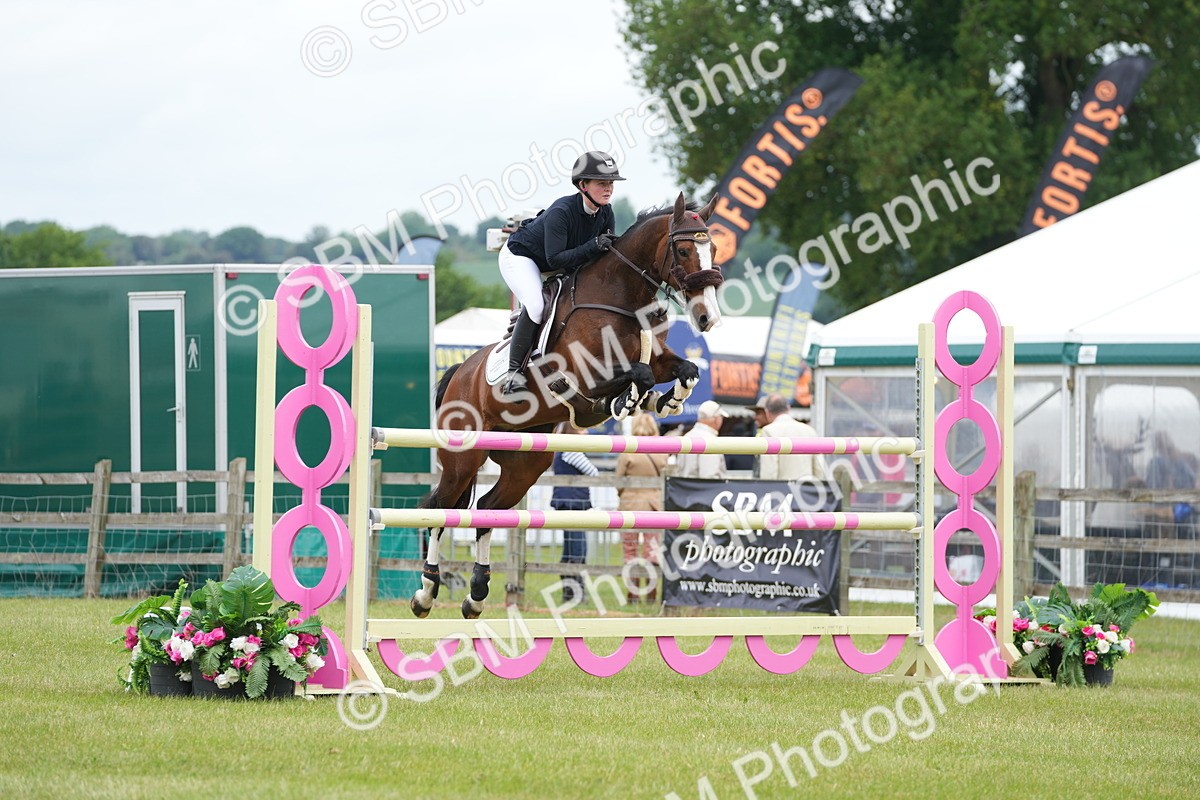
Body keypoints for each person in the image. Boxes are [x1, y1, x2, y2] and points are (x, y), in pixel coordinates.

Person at [497, 150, 625, 394]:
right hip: (522, 257)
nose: (608, 188)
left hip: (560, 262)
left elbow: (600, 257)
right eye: (602, 183)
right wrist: (593, 245)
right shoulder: (562, 211)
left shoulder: (606, 212)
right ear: (582, 185)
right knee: (536, 305)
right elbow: (554, 258)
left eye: (610, 183)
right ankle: (514, 374)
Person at [616, 414, 669, 603]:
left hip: (630, 503)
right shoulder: (662, 449)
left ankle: (633, 593)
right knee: (652, 548)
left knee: (630, 548)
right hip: (654, 504)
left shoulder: (629, 449)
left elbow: (619, 479)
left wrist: (623, 493)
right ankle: (652, 591)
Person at [550, 423, 599, 603]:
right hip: (574, 503)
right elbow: (593, 472)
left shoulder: (562, 450)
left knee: (570, 548)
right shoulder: (573, 451)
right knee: (578, 548)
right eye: (582, 429)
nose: (586, 432)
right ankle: (577, 592)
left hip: (566, 502)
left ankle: (569, 591)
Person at [749, 393, 828, 481]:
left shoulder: (768, 431)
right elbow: (819, 469)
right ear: (788, 408)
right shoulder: (809, 431)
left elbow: (769, 473)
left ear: (767, 412)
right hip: (806, 490)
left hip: (783, 491)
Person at [675, 400, 729, 479]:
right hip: (703, 489)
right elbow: (709, 476)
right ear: (716, 419)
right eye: (721, 417)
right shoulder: (710, 440)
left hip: (685, 488)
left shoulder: (687, 436)